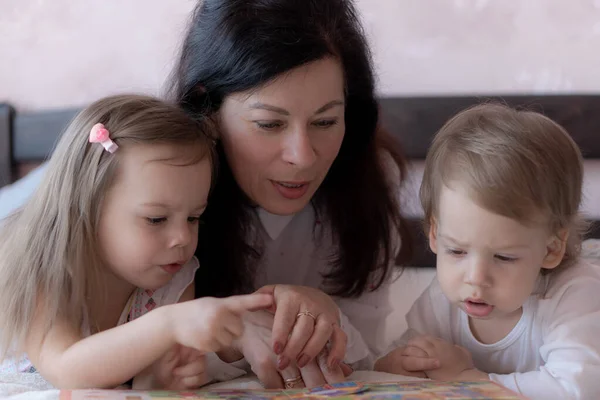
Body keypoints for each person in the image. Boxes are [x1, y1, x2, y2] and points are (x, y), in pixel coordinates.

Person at [168, 0, 426, 389]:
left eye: (325, 121)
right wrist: (230, 336)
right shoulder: (161, 186)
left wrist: (330, 318)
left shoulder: (369, 181)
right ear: (208, 111)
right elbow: (128, 341)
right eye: (269, 123)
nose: (303, 157)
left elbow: (368, 348)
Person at [0, 94, 273, 389]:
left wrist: (161, 378)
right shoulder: (42, 268)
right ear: (88, 208)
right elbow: (66, 370)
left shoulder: (171, 278)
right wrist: (169, 323)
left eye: (194, 218)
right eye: (156, 219)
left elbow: (146, 376)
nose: (182, 238)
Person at [375, 104, 600, 399]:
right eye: (456, 251)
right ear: (434, 233)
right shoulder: (441, 300)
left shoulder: (574, 295)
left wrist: (470, 380)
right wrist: (394, 365)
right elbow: (405, 362)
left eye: (504, 257)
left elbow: (579, 388)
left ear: (551, 249)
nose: (476, 278)